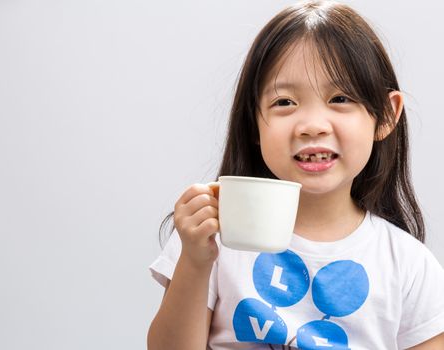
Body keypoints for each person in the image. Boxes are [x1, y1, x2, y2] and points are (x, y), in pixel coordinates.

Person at [147, 1, 444, 349]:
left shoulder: (408, 264)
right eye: (284, 102)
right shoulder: (211, 239)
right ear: (253, 122)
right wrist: (195, 261)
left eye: (340, 97)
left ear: (385, 116)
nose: (312, 126)